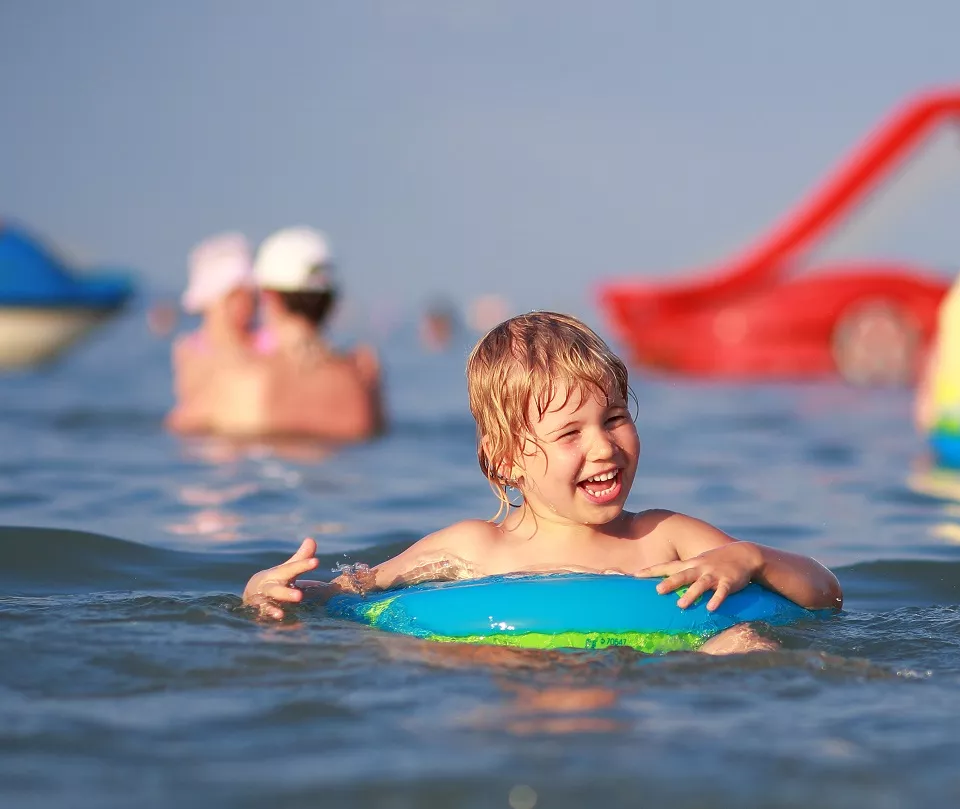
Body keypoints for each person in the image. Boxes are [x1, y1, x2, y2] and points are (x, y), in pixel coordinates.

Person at [241, 311, 842, 654]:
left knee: (740, 646)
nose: (604, 446)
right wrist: (284, 594)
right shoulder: (474, 549)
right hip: (519, 691)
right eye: (570, 434)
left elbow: (825, 593)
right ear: (505, 460)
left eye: (614, 418)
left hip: (657, 702)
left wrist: (751, 558)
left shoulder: (669, 538)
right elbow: (356, 594)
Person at [170, 226, 385, 441]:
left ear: (268, 297)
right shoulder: (365, 379)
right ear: (332, 301)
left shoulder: (241, 383)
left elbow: (180, 429)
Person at [166, 233, 260, 430]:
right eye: (233, 296)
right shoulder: (189, 350)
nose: (245, 304)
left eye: (250, 295)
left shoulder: (267, 343)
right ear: (210, 300)